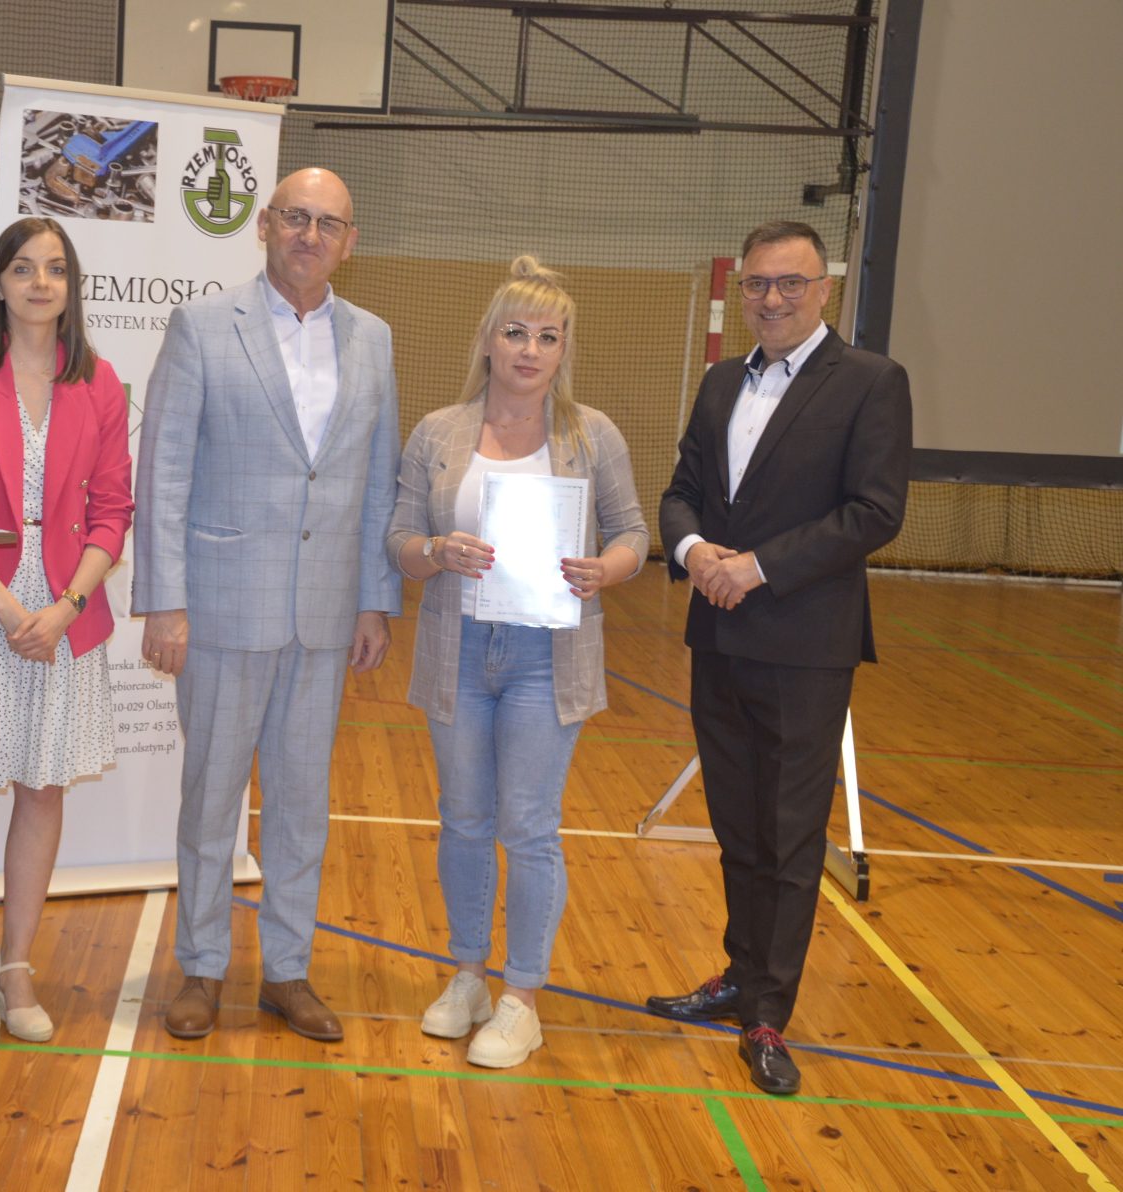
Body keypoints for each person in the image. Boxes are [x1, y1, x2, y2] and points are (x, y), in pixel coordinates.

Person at [133, 167, 400, 1043]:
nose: (310, 235)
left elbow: (376, 480)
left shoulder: (374, 339)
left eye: (329, 224)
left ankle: (287, 970)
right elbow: (164, 470)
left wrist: (374, 599)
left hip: (325, 615)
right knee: (212, 799)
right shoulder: (204, 327)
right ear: (264, 224)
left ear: (350, 243)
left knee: (300, 805)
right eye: (296, 217)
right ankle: (202, 966)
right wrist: (165, 602)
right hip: (220, 608)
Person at [649, 220, 911, 1095]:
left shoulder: (871, 381)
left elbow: (874, 512)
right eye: (758, 283)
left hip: (805, 646)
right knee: (738, 827)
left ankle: (768, 1014)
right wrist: (696, 554)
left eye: (790, 283)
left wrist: (756, 568)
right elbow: (683, 492)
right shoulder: (722, 381)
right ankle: (738, 975)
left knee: (790, 837)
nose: (771, 298)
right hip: (719, 637)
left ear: (823, 289)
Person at [386, 256, 647, 1068]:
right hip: (458, 649)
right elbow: (398, 540)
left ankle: (522, 998)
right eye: (516, 333)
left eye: (548, 336)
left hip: (547, 657)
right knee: (464, 818)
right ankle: (468, 975)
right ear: (489, 341)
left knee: (529, 827)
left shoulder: (592, 435)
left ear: (564, 349)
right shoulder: (438, 433)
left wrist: (606, 570)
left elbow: (634, 534)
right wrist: (436, 550)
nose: (531, 350)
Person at [0, 216, 133, 1051]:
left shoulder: (99, 382)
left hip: (65, 616)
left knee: (42, 790)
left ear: (71, 288)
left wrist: (66, 606)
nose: (41, 283)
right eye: (24, 269)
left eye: (56, 270)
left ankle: (16, 966)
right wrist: (10, 610)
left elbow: (114, 510)